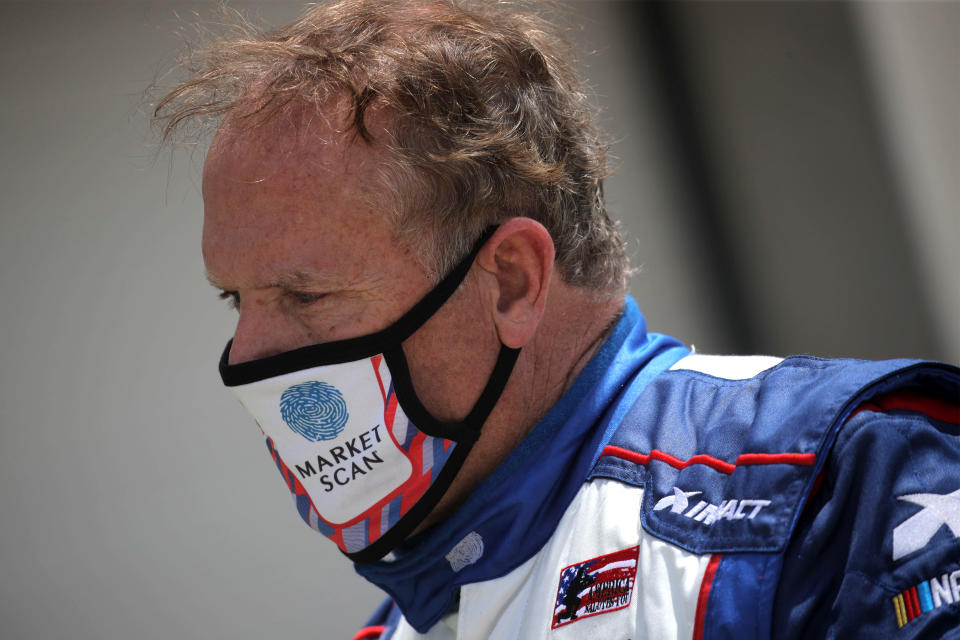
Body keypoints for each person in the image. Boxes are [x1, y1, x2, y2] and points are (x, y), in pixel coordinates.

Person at [154, 1, 960, 638]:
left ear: (510, 283)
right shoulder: (397, 625)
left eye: (304, 296)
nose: (246, 354)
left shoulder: (839, 477)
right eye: (236, 299)